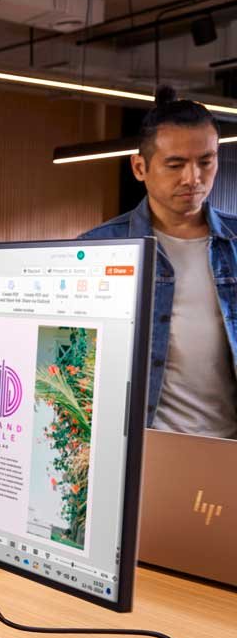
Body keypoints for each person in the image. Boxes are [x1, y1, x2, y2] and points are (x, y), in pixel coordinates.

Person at [80, 86, 237, 439]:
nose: (192, 178)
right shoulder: (100, 248)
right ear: (140, 167)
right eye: (175, 164)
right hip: (147, 447)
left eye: (205, 161)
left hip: (229, 447)